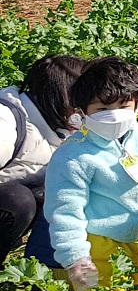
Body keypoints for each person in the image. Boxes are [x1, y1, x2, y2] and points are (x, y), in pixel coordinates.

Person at [44, 57, 138, 291]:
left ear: (137, 106)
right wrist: (76, 258)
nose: (114, 115)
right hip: (100, 243)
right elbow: (65, 212)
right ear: (82, 111)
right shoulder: (73, 156)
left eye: (123, 106)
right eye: (102, 109)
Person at [0, 55, 86, 264]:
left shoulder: (62, 127)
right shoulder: (6, 122)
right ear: (58, 96)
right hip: (11, 203)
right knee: (18, 200)